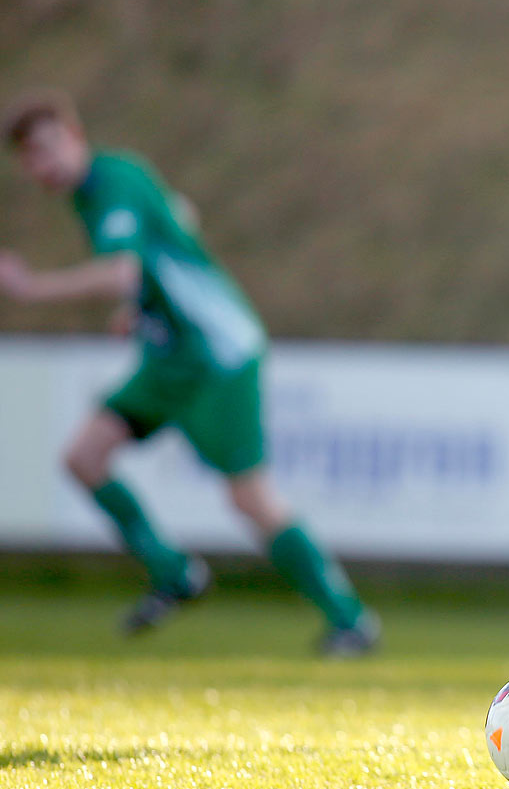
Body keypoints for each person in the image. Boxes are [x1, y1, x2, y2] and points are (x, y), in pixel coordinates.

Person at [0, 90, 379, 656]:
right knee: (83, 458)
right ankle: (174, 572)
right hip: (170, 356)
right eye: (31, 157)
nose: (43, 164)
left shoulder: (113, 183)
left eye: (49, 147)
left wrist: (34, 288)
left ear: (77, 138)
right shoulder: (99, 192)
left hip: (217, 355)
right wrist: (144, 308)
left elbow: (123, 271)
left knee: (249, 498)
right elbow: (179, 216)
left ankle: (350, 620)